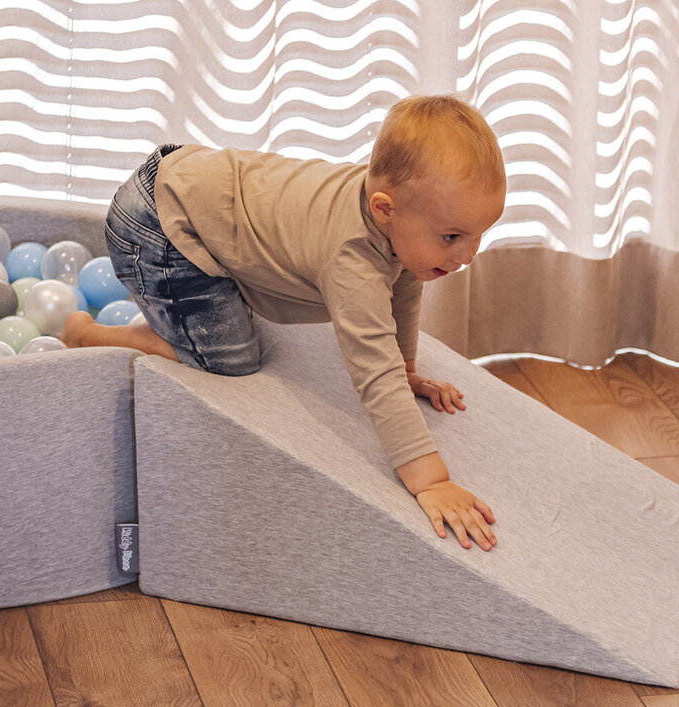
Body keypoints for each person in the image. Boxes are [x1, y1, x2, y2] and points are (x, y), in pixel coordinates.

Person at [64, 95, 506, 550]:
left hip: (182, 184)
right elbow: (376, 373)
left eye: (477, 236)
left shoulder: (395, 214)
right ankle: (87, 333)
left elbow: (404, 288)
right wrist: (431, 481)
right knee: (231, 358)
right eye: (452, 237)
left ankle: (178, 300)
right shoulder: (352, 260)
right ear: (383, 210)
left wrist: (408, 368)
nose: (466, 256)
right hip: (158, 226)